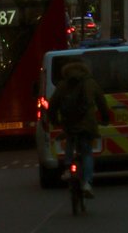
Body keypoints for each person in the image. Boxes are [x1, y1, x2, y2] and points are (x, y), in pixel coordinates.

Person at [47, 61, 109, 198]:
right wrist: (105, 118)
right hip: (87, 124)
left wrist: (54, 121)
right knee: (86, 152)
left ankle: (68, 168)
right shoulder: (90, 83)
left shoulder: (62, 85)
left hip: (69, 123)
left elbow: (52, 106)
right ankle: (87, 182)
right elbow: (101, 102)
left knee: (70, 139)